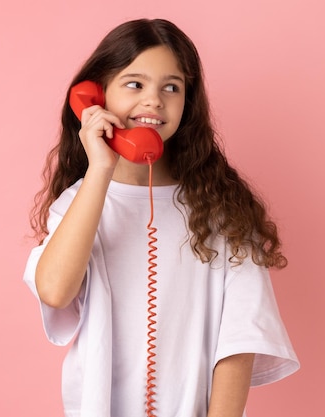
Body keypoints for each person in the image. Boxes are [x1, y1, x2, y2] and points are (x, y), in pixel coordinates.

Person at [23, 18, 299, 417]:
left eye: (171, 87)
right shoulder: (77, 205)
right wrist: (100, 169)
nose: (154, 100)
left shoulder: (222, 210)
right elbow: (54, 291)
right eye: (135, 84)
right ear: (95, 97)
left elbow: (239, 340)